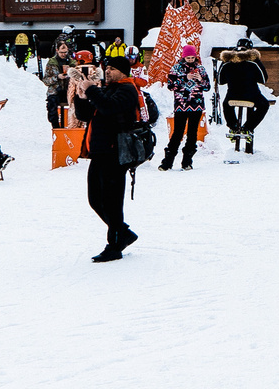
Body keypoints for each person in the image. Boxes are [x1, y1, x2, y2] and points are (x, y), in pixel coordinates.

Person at [84, 60, 150, 259]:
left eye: (112, 69)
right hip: (99, 151)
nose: (107, 71)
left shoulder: (127, 89)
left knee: (111, 202)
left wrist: (92, 91)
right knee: (95, 199)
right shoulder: (109, 88)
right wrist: (82, 96)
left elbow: (108, 108)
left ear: (123, 72)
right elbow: (86, 113)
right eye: (107, 68)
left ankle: (114, 245)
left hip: (115, 152)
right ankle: (123, 233)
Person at [159, 44, 209, 169]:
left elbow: (207, 87)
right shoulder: (176, 68)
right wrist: (184, 78)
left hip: (196, 105)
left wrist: (201, 80)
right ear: (183, 57)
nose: (191, 60)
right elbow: (171, 85)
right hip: (181, 105)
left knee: (193, 134)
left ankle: (187, 161)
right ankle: (167, 162)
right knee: (178, 133)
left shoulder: (200, 69)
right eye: (188, 58)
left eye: (192, 58)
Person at [219, 45, 271, 154]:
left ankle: (233, 126)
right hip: (251, 94)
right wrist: (257, 60)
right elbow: (263, 78)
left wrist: (225, 61)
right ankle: (248, 127)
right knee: (264, 105)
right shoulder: (253, 63)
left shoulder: (228, 63)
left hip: (233, 94)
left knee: (226, 104)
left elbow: (220, 80)